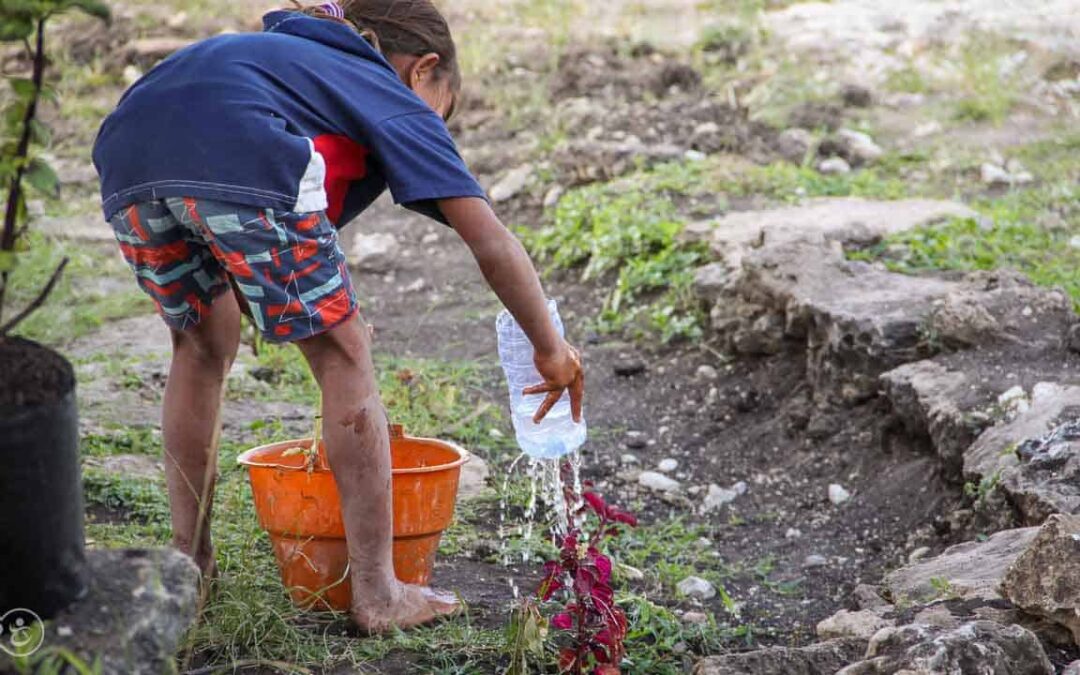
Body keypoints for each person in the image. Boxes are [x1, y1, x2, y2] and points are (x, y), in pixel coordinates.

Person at [92, 0, 585, 633]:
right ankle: (380, 594)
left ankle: (190, 570)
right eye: (444, 107)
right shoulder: (385, 87)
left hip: (129, 155)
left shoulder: (287, 61)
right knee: (344, 353)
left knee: (200, 346)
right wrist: (549, 348)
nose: (437, 124)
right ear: (423, 69)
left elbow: (236, 210)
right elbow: (489, 240)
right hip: (241, 149)